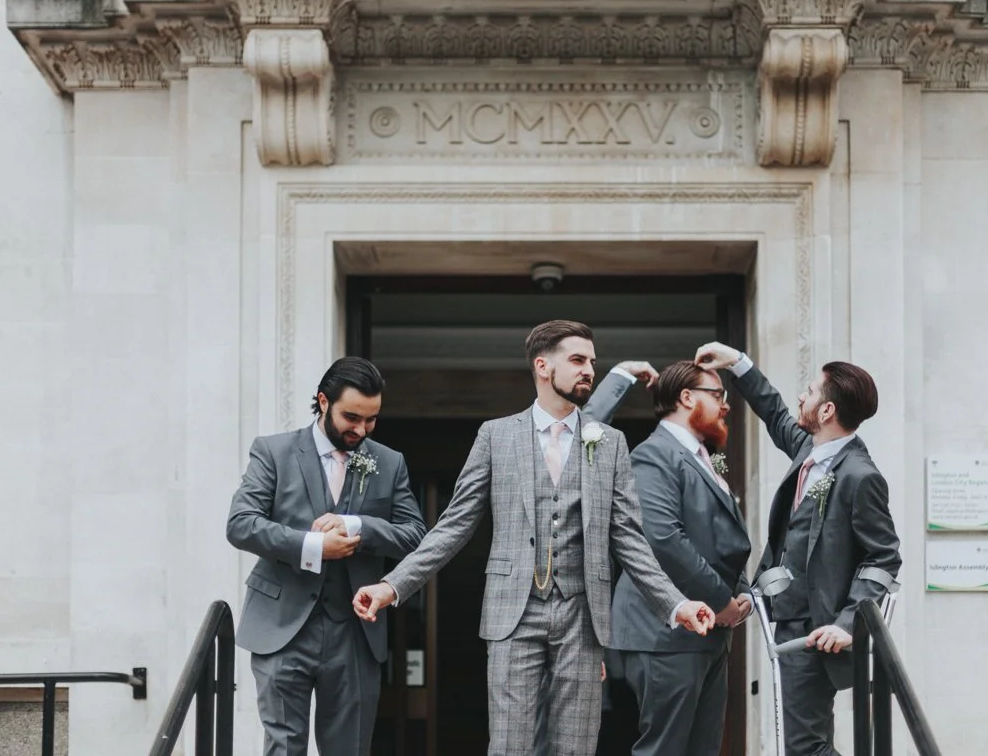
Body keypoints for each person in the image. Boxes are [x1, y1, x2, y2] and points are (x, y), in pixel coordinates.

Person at [354, 321, 715, 756]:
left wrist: (677, 604)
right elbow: (453, 527)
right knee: (509, 747)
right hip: (513, 613)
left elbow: (630, 540)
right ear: (543, 366)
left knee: (575, 749)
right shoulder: (496, 436)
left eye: (592, 362)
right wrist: (392, 586)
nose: (589, 371)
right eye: (577, 360)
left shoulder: (611, 444)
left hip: (583, 617)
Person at [694, 342, 901, 756]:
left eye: (809, 391)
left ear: (826, 411)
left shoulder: (861, 476)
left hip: (815, 632)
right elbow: (773, 413)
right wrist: (738, 363)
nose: (801, 398)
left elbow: (884, 558)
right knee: (801, 745)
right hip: (786, 624)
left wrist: (846, 624)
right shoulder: (810, 450)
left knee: (805, 747)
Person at [226, 357, 428, 756]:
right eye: (352, 417)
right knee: (283, 748)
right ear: (322, 401)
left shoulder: (389, 462)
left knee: (349, 749)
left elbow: (415, 536)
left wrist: (358, 526)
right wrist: (313, 547)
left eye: (371, 420)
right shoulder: (274, 451)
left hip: (354, 634)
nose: (361, 430)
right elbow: (241, 524)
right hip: (281, 627)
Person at [610, 360, 754, 756]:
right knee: (665, 749)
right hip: (664, 633)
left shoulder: (702, 457)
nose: (726, 406)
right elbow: (662, 538)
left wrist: (739, 596)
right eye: (718, 395)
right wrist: (722, 601)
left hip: (708, 634)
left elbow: (723, 540)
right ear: (687, 397)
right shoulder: (654, 454)